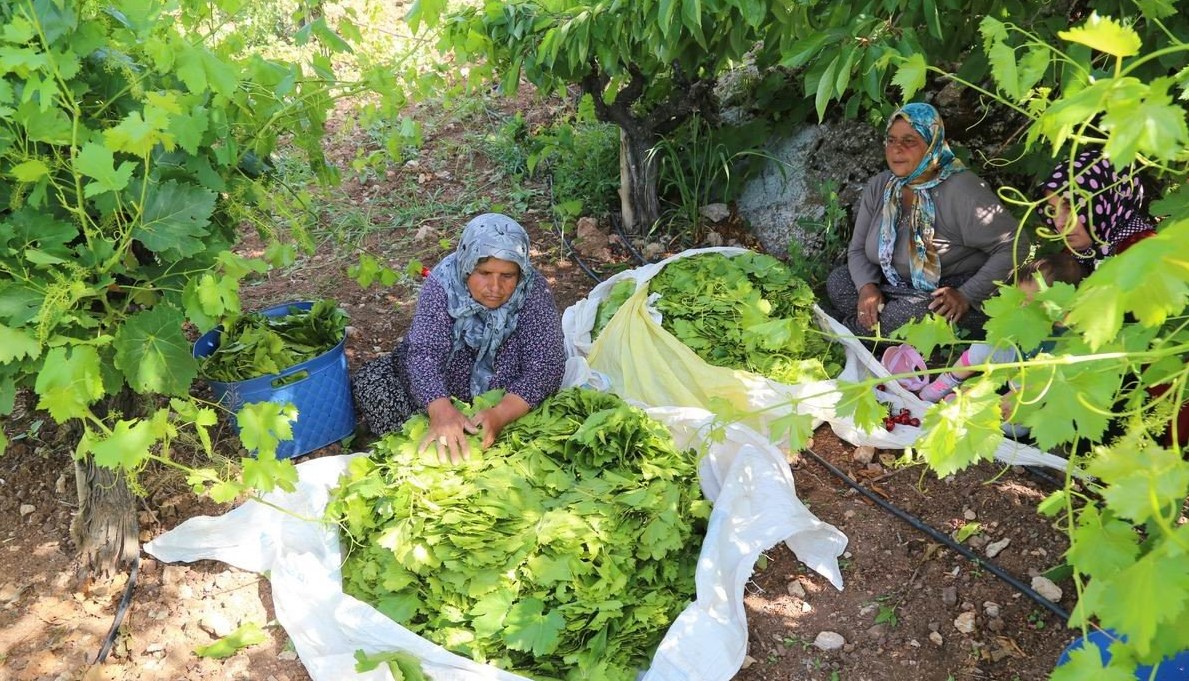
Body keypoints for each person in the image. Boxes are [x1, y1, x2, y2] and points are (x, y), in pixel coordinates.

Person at [351, 213, 567, 463]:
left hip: (505, 397)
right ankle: (441, 425)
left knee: (526, 442)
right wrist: (440, 410)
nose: (495, 288)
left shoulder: (532, 290)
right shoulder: (443, 285)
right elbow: (424, 353)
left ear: (520, 273)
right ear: (467, 267)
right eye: (484, 273)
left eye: (507, 276)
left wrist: (500, 414)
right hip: (441, 391)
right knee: (373, 385)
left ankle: (483, 428)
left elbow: (546, 364)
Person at [825, 102, 1027, 340]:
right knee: (839, 282)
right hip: (897, 285)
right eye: (891, 140)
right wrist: (867, 288)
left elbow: (1015, 245)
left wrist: (967, 295)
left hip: (948, 294)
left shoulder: (961, 190)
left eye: (909, 141)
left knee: (905, 317)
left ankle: (841, 334)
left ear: (932, 145)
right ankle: (870, 332)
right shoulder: (882, 186)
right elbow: (858, 250)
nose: (897, 149)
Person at [914, 252, 1087, 404]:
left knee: (1018, 418)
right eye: (1020, 299)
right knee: (982, 349)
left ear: (1061, 304)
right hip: (1016, 360)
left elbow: (1041, 385)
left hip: (1033, 386)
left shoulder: (1067, 340)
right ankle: (945, 383)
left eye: (1030, 302)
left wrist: (989, 399)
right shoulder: (1026, 315)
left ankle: (976, 407)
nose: (1022, 307)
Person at [1037, 150, 1158, 270]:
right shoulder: (1076, 255)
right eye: (1052, 212)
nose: (1059, 223)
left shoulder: (1149, 256)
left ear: (1109, 201)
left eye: (1071, 207)